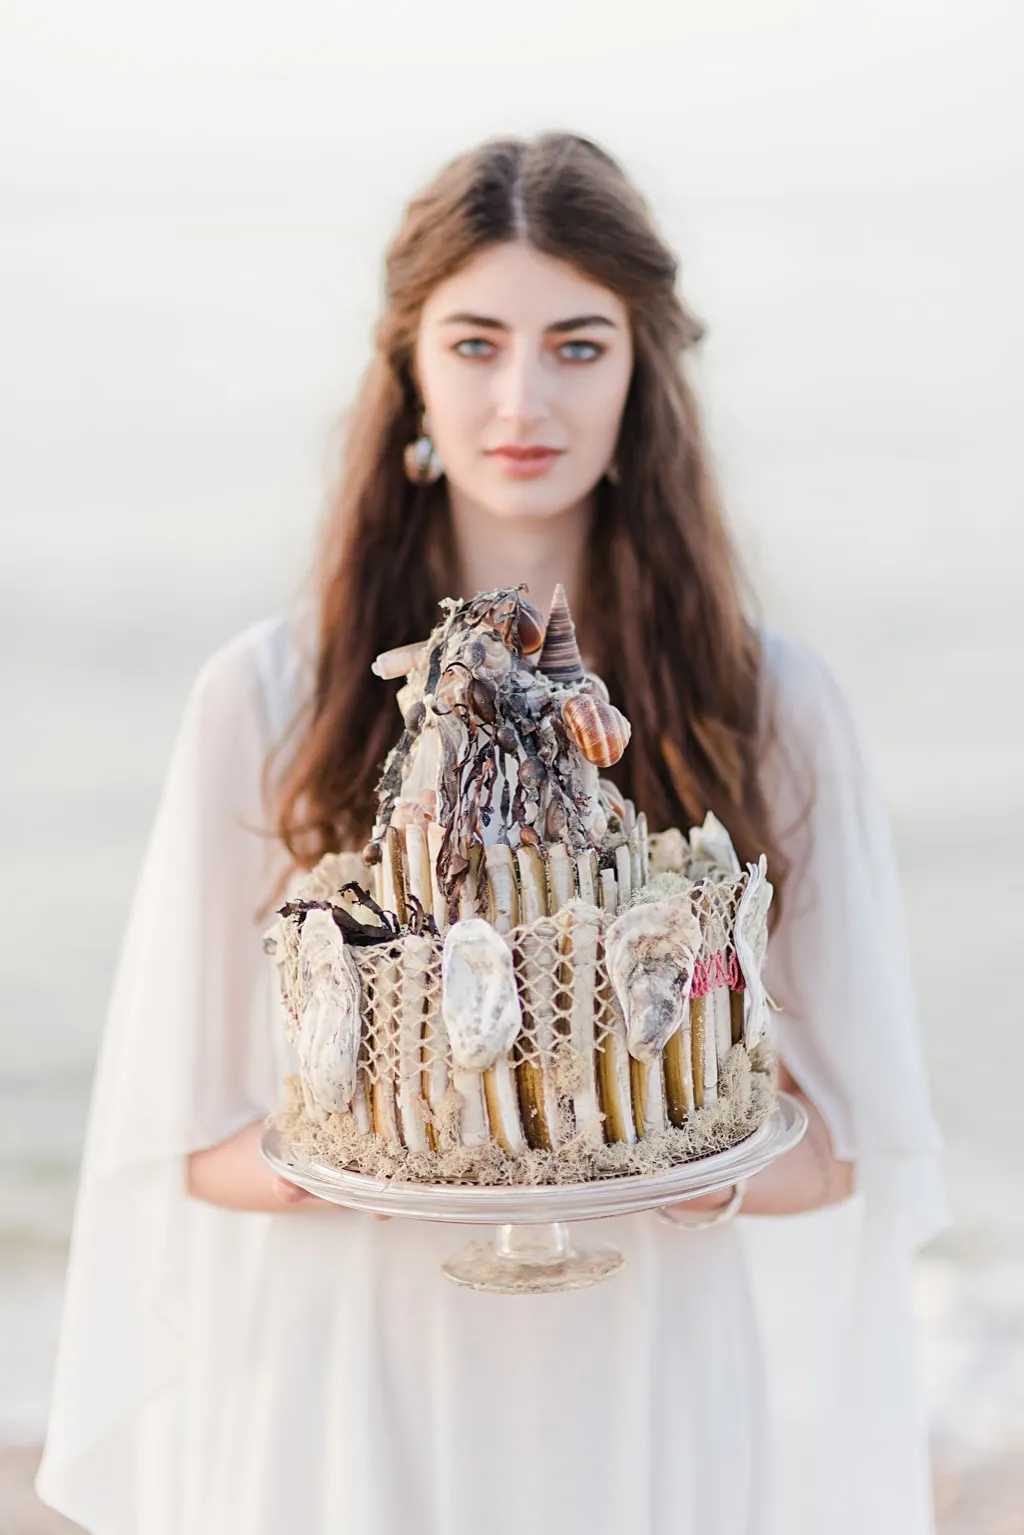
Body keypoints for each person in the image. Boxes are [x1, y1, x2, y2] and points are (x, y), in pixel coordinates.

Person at [36, 132, 948, 1534]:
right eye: (475, 343)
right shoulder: (270, 698)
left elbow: (843, 1152)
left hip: (648, 1363)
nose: (523, 396)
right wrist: (366, 1144)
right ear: (407, 367)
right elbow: (173, 1147)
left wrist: (674, 1161)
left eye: (578, 346)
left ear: (643, 374)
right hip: (356, 1372)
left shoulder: (768, 706)